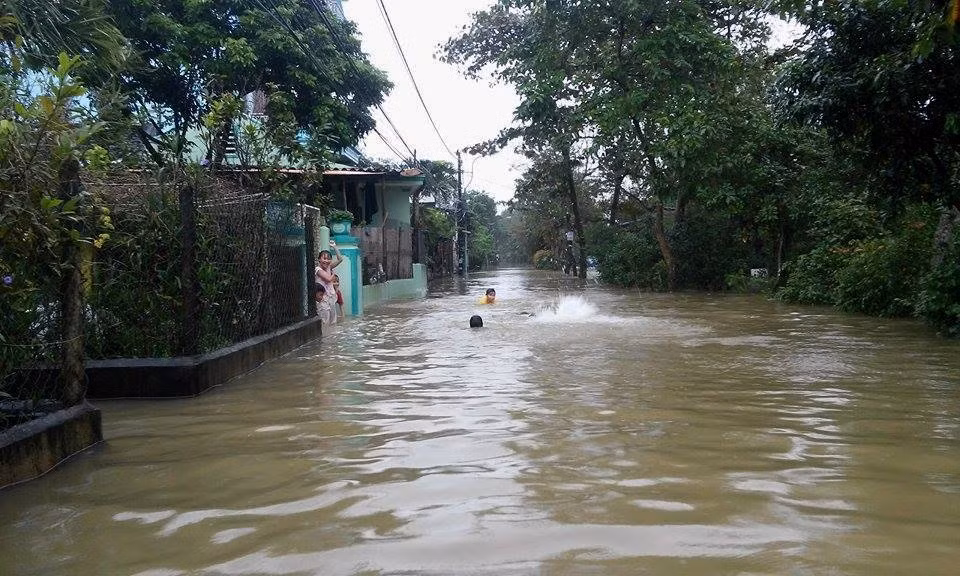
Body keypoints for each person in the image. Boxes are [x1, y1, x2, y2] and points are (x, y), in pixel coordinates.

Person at [315, 240, 343, 324]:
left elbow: (340, 259)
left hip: (331, 297)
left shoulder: (329, 267)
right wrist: (333, 274)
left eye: (329, 259)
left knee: (333, 322)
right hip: (322, 298)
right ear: (319, 259)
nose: (326, 261)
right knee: (325, 322)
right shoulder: (318, 270)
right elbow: (328, 279)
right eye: (324, 258)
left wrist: (334, 247)